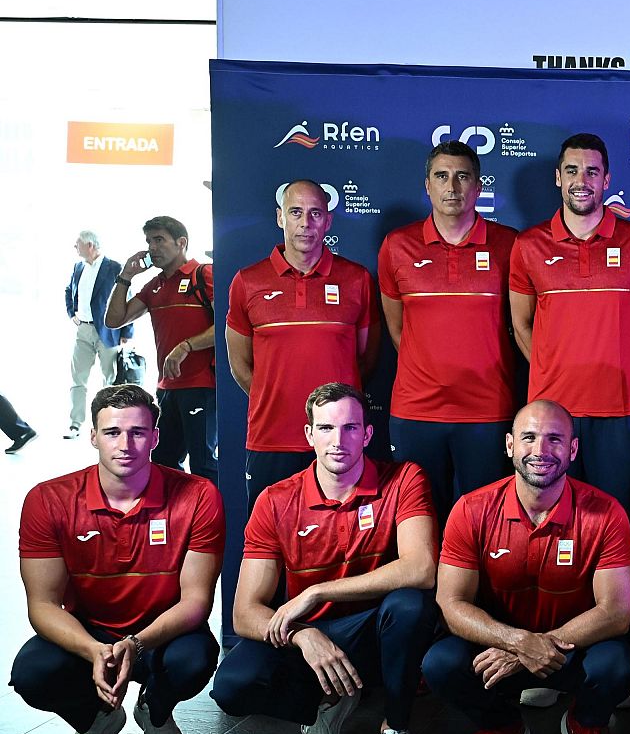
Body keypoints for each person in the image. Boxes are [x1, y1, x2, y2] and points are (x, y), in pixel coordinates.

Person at [211, 383, 437, 734]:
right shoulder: (276, 500)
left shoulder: (404, 479)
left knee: (410, 605)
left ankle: (395, 730)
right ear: (309, 434)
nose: (339, 440)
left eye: (351, 428)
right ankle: (327, 704)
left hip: (372, 632)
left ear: (367, 435)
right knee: (232, 685)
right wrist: (302, 634)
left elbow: (422, 567)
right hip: (310, 641)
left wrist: (320, 591)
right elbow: (245, 612)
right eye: (327, 428)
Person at [11, 384, 223, 734]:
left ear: (155, 437)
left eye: (138, 432)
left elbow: (196, 602)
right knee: (31, 674)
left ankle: (156, 715)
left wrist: (137, 643)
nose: (125, 444)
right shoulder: (48, 500)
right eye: (112, 432)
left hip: (161, 632)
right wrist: (93, 650)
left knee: (195, 660)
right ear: (93, 436)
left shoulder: (198, 495)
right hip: (88, 631)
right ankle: (94, 722)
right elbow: (41, 604)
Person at [422, 399, 630, 734]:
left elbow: (616, 611)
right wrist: (516, 642)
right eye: (529, 438)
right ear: (509, 445)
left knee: (614, 665)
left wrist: (538, 646)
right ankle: (502, 728)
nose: (540, 451)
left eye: (555, 439)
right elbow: (451, 602)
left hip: (570, 652)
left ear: (572, 449)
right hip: (496, 650)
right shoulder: (471, 509)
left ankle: (587, 724)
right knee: (440, 663)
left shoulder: (606, 512)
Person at [224, 180, 379, 639]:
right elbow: (239, 364)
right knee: (270, 554)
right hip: (272, 438)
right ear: (280, 217)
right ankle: (272, 645)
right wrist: (282, 402)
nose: (306, 223)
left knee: (346, 548)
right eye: (296, 212)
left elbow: (365, 360)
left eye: (315, 214)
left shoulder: (355, 279)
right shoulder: (248, 281)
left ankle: (345, 645)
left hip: (340, 445)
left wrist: (331, 423)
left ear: (328, 221)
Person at [510, 134, 630, 522]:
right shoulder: (528, 245)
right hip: (550, 413)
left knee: (619, 522)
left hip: (620, 410)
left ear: (607, 180)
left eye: (592, 171)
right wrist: (552, 368)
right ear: (558, 177)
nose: (582, 179)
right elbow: (522, 324)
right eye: (573, 170)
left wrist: (624, 370)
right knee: (549, 521)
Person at [379, 140, 520, 515]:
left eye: (463, 177)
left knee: (488, 522)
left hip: (488, 411)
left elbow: (523, 323)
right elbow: (397, 329)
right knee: (419, 524)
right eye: (442, 176)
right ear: (427, 185)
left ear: (479, 186)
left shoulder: (510, 245)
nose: (452, 187)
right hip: (416, 412)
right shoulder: (397, 246)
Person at [104, 216, 218, 483]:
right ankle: (178, 520)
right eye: (148, 241)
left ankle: (216, 523)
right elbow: (114, 320)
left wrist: (186, 346)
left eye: (159, 240)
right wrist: (125, 276)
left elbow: (227, 326)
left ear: (181, 243)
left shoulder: (204, 274)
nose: (152, 247)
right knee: (165, 463)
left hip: (203, 387)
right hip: (167, 390)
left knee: (204, 464)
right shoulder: (155, 285)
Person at [65, 230, 134, 438]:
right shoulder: (78, 267)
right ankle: (75, 423)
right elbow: (69, 290)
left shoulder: (114, 267)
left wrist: (127, 331)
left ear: (90, 246)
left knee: (110, 379)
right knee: (78, 378)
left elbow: (126, 298)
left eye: (77, 243)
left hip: (108, 330)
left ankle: (109, 423)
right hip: (83, 329)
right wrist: (72, 313)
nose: (74, 247)